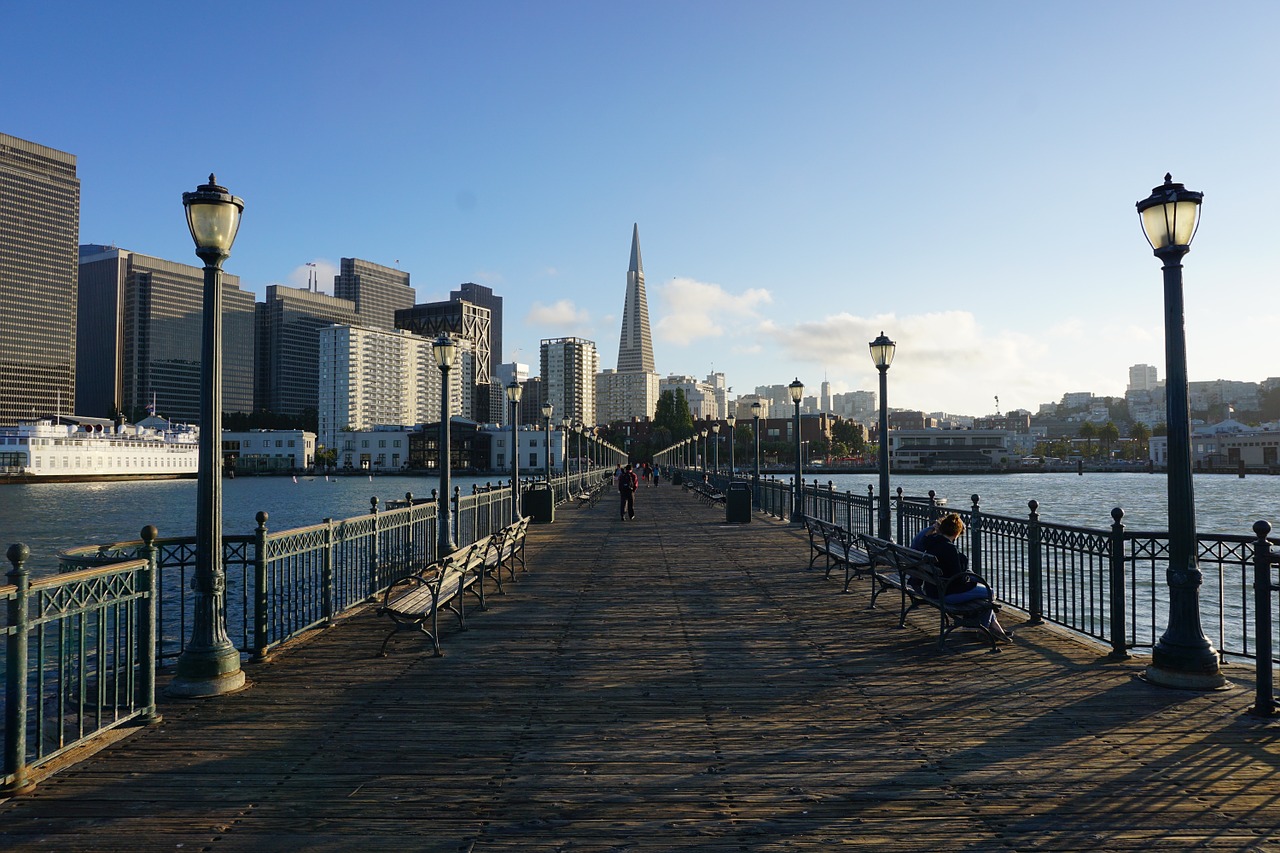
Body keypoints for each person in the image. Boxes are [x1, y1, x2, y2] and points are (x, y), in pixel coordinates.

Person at [919, 513, 1011, 643]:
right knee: (989, 592)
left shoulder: (931, 542)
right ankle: (983, 628)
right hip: (945, 593)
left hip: (931, 589)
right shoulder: (949, 549)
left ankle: (995, 627)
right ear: (957, 533)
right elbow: (958, 579)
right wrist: (969, 577)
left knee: (984, 595)